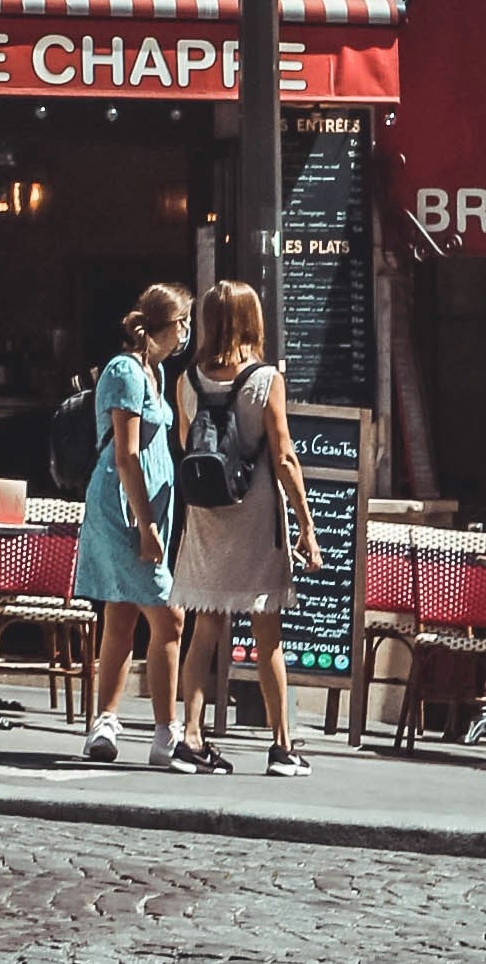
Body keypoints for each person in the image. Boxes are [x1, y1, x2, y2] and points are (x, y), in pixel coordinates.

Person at [169, 279, 322, 780]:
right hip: (255, 512)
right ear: (252, 321)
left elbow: (186, 442)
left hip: (208, 514)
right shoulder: (265, 380)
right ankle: (282, 747)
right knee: (267, 632)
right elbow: (283, 456)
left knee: (204, 626)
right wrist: (306, 524)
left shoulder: (186, 380)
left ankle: (189, 737)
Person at [72, 281, 191, 769]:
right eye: (183, 322)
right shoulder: (127, 371)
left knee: (121, 613)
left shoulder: (156, 372)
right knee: (169, 615)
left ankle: (105, 722)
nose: (187, 332)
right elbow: (126, 455)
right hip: (124, 507)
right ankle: (166, 733)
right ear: (167, 325)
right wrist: (146, 525)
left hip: (144, 505)